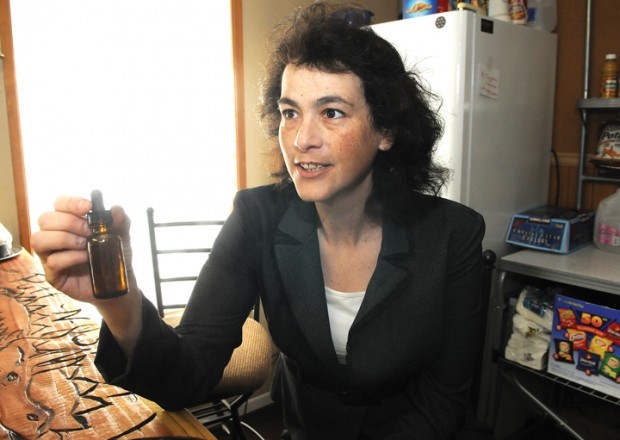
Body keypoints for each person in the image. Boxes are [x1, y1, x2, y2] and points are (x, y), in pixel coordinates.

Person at [32, 3, 489, 439]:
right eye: (290, 112)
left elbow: (445, 396)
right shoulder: (258, 218)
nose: (302, 139)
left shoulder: (455, 235)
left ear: (386, 131)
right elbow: (185, 379)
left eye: (332, 113)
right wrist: (119, 300)